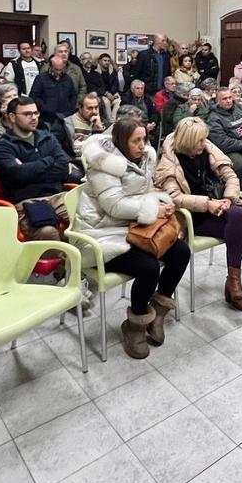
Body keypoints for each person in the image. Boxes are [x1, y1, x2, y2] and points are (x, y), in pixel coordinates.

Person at [73, 118, 190, 358]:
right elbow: (113, 205)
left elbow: (143, 192)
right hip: (101, 234)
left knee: (180, 251)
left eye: (143, 139)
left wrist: (160, 203)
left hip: (133, 228)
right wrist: (152, 209)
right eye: (135, 140)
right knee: (148, 267)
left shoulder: (145, 157)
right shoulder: (103, 165)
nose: (141, 144)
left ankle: (158, 310)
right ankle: (135, 325)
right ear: (120, 141)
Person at [155, 116, 242, 312]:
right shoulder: (169, 162)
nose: (204, 142)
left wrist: (229, 196)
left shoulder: (207, 148)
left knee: (236, 214)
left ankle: (233, 281)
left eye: (204, 139)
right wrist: (207, 204)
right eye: (200, 140)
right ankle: (233, 286)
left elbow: (231, 175)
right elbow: (175, 198)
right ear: (189, 141)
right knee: (237, 226)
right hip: (191, 217)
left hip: (217, 203)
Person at [0, 96, 74, 240]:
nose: (34, 118)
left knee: (86, 218)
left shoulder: (47, 137)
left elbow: (62, 168)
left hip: (57, 196)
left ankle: (88, 260)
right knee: (47, 231)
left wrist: (28, 168)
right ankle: (62, 263)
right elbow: (17, 175)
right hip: (28, 202)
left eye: (36, 113)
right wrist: (49, 161)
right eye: (27, 114)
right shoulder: (3, 146)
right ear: (12, 117)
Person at [207, 87, 242, 181]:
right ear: (217, 101)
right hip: (232, 150)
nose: (229, 101)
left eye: (230, 97)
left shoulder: (239, 107)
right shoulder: (213, 118)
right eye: (224, 99)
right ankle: (236, 188)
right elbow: (222, 142)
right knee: (240, 165)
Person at [30, 53, 79, 131]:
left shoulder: (67, 78)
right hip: (47, 118)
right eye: (56, 69)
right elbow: (34, 97)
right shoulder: (41, 78)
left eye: (61, 69)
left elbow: (73, 95)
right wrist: (45, 108)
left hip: (65, 117)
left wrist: (69, 109)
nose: (58, 72)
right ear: (51, 67)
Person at [64, 92, 110, 162]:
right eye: (90, 108)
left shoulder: (104, 124)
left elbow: (108, 149)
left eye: (96, 107)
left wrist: (99, 128)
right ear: (80, 108)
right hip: (77, 162)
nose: (94, 111)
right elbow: (72, 150)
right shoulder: (68, 123)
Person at [94, 53, 123, 120]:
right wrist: (106, 94)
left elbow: (115, 84)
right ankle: (110, 120)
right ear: (99, 61)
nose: (107, 62)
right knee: (106, 102)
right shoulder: (95, 71)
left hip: (112, 94)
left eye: (108, 61)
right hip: (101, 94)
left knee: (119, 100)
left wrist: (112, 94)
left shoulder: (113, 71)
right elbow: (96, 87)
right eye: (105, 60)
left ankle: (112, 120)